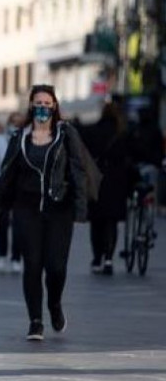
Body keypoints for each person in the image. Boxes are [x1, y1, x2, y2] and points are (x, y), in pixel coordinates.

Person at [0, 84, 90, 341]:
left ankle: (54, 304)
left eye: (47, 103)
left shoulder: (66, 134)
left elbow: (78, 170)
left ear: (54, 106)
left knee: (56, 267)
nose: (43, 108)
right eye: (38, 103)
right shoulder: (19, 137)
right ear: (31, 106)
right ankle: (35, 321)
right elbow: (7, 175)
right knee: (32, 265)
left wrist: (80, 208)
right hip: (27, 210)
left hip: (59, 209)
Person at [82, 102, 131, 275]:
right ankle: (109, 258)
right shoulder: (123, 133)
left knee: (96, 222)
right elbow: (130, 155)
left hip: (97, 179)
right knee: (111, 221)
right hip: (117, 181)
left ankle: (97, 258)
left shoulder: (93, 130)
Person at [0, 112, 25, 274]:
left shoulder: (26, 139)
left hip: (20, 188)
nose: (15, 125)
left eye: (18, 123)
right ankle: (2, 255)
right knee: (2, 222)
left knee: (19, 224)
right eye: (13, 122)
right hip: (3, 188)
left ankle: (16, 258)